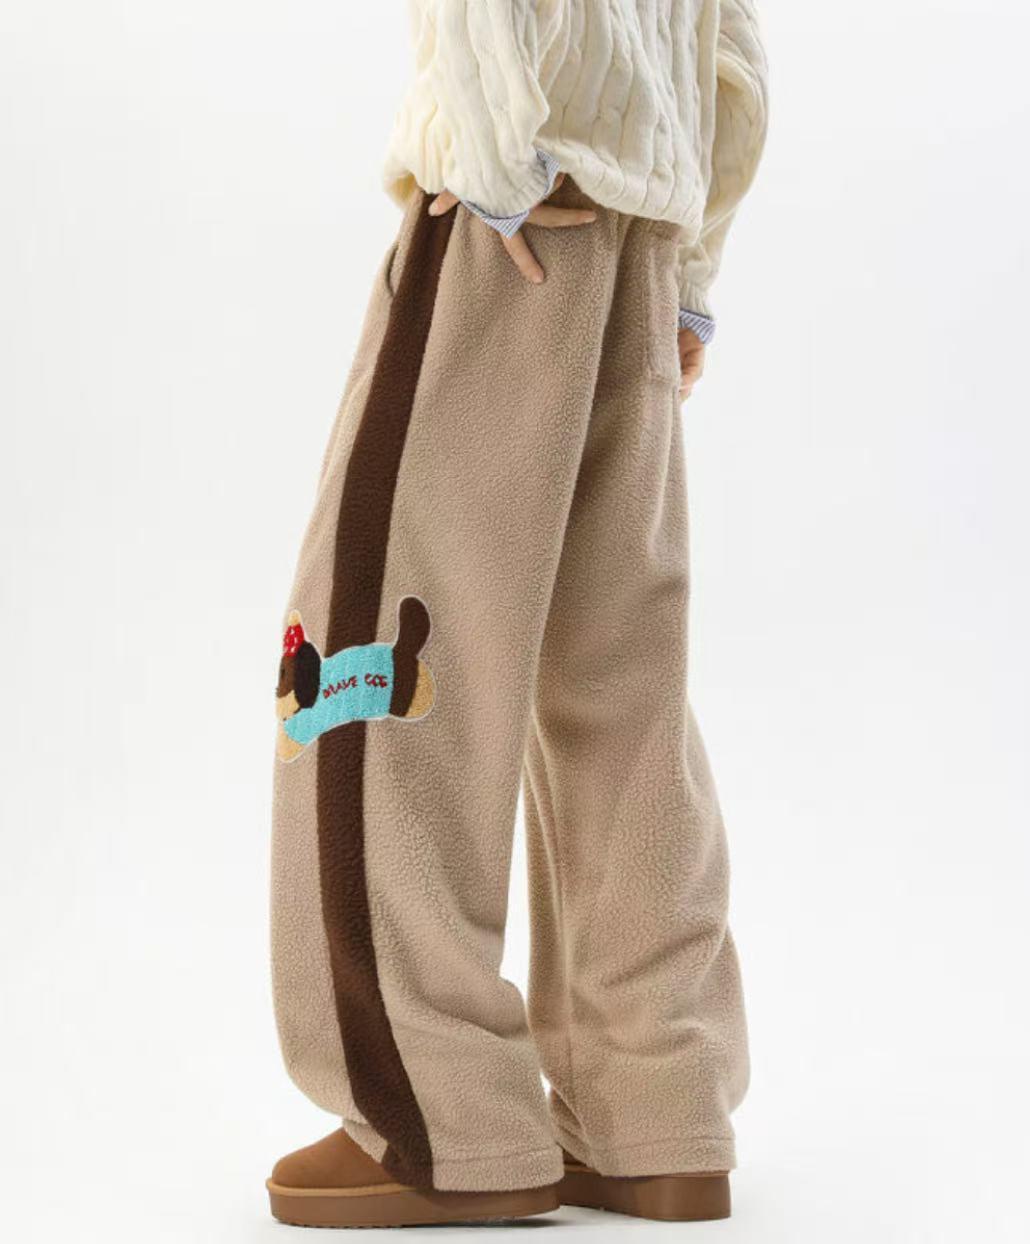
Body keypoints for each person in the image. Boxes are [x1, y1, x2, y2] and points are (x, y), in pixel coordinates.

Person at [266, 0, 767, 1228]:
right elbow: (733, 54)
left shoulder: (505, 183)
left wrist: (495, 164)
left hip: (514, 221)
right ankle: (653, 1108)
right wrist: (688, 271)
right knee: (618, 692)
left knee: (372, 665)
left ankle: (434, 1116)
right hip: (639, 242)